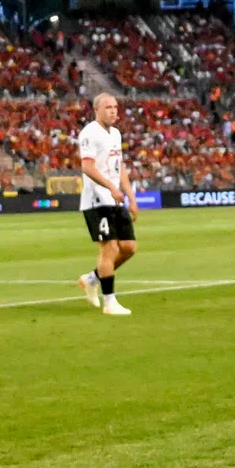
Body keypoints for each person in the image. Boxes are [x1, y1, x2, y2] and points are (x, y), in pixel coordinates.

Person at [74, 93, 138, 316]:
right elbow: (87, 167)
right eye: (108, 107)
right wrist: (111, 188)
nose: (113, 111)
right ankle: (110, 303)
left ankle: (92, 279)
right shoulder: (90, 133)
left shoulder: (116, 134)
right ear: (96, 110)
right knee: (109, 249)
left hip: (115, 198)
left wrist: (131, 197)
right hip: (97, 200)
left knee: (129, 247)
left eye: (115, 107)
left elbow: (119, 167)